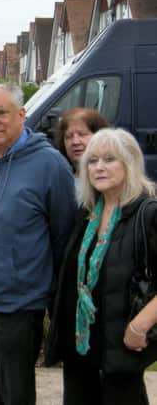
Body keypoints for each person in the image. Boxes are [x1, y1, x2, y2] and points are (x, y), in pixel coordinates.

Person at [0, 83, 77, 405]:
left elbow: (63, 239)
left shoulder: (50, 166)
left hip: (16, 309)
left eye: (1, 113)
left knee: (15, 396)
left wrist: (56, 306)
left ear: (22, 115)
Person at [45, 128, 157, 405]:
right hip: (81, 348)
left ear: (129, 163)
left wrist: (139, 327)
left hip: (122, 349)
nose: (99, 167)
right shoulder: (86, 214)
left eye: (109, 159)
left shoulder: (148, 213)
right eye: (92, 161)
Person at [54, 108, 110, 202]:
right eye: (69, 136)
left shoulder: (111, 180)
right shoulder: (60, 180)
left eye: (82, 134)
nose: (75, 142)